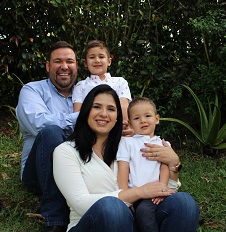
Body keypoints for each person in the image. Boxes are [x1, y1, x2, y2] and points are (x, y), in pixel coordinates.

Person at [53, 85, 200, 232]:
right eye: (97, 107)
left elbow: (165, 189)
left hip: (135, 222)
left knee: (184, 202)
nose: (104, 114)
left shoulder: (130, 145)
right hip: (91, 224)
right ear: (85, 111)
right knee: (112, 207)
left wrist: (174, 164)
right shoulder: (66, 151)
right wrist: (139, 193)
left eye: (111, 109)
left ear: (118, 117)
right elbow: (80, 203)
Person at [16, 41, 79, 232]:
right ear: (48, 66)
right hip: (39, 170)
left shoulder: (84, 92)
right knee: (51, 131)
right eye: (58, 61)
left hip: (79, 170)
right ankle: (56, 221)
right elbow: (39, 124)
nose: (64, 66)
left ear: (77, 66)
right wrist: (82, 118)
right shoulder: (32, 90)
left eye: (70, 61)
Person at [117, 97, 176, 232]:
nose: (143, 120)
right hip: (135, 194)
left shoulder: (162, 144)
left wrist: (162, 188)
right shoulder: (127, 143)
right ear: (130, 124)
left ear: (157, 119)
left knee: (145, 211)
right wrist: (126, 195)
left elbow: (165, 167)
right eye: (137, 118)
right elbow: (123, 169)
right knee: (142, 213)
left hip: (156, 195)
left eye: (147, 116)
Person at [72, 40, 132, 135]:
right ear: (85, 63)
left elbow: (123, 105)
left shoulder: (120, 82)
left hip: (116, 130)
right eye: (92, 57)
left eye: (101, 56)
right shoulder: (81, 85)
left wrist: (124, 124)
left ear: (109, 61)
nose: (97, 60)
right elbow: (77, 113)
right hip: (89, 132)